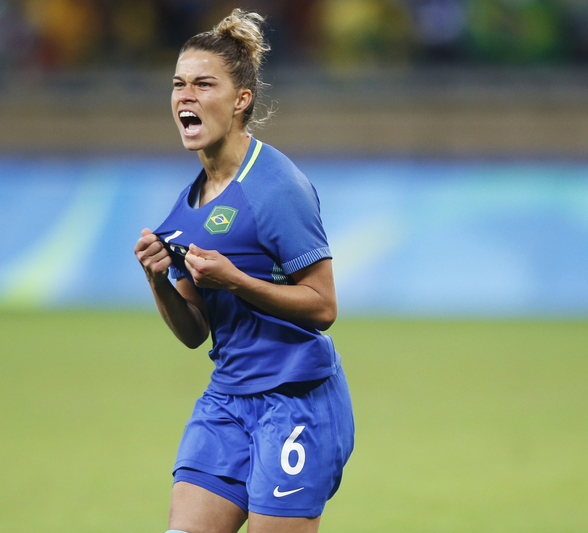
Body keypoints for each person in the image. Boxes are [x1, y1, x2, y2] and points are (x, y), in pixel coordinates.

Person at [134, 9, 354, 533]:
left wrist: (236, 281)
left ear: (241, 100)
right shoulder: (185, 209)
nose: (185, 96)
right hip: (227, 402)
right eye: (178, 84)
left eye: (203, 84)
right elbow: (194, 331)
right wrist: (157, 278)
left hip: (296, 401)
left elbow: (323, 308)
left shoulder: (276, 187)